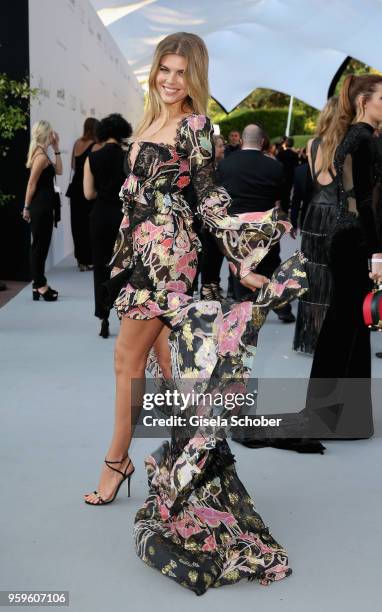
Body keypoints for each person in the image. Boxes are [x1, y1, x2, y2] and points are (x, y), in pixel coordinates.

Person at [83, 32, 307, 594]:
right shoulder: (149, 122)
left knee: (124, 359)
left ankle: (116, 464)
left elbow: (208, 194)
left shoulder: (195, 125)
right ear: (155, 70)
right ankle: (194, 475)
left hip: (168, 258)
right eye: (165, 69)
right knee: (173, 378)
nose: (171, 80)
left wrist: (244, 256)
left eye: (182, 72)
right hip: (143, 253)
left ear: (195, 76)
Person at [217, 123, 295, 322]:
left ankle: (244, 309)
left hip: (237, 226)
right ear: (262, 142)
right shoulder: (274, 165)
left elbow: (219, 196)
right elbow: (282, 196)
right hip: (266, 224)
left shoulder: (226, 164)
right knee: (271, 265)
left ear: (242, 141)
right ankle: (282, 308)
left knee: (241, 266)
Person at [293, 97, 338, 354]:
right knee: (333, 276)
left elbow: (314, 180)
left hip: (314, 213)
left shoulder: (312, 144)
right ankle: (329, 336)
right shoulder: (346, 145)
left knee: (312, 274)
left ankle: (314, 332)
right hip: (335, 214)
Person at [83, 113, 132, 339]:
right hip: (123, 217)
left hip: (99, 216)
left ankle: (103, 317)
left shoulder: (92, 158)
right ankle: (126, 316)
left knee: (101, 267)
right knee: (124, 267)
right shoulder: (128, 157)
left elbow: (88, 193)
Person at [23, 120, 62, 301]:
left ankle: (37, 284)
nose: (53, 136)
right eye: (51, 133)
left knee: (41, 247)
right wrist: (26, 207)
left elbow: (59, 171)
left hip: (45, 207)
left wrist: (56, 148)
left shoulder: (43, 154)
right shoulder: (40, 157)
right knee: (39, 248)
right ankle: (40, 285)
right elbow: (31, 184)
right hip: (40, 207)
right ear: (46, 133)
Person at [68, 117, 99, 271]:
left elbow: (72, 165)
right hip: (87, 188)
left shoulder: (76, 143)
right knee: (88, 224)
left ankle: (81, 260)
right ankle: (89, 259)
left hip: (75, 188)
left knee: (77, 224)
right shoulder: (94, 146)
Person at [199, 133, 225, 300]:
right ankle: (206, 288)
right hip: (206, 219)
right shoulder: (205, 169)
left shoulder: (221, 167)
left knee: (217, 253)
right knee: (209, 254)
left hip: (219, 218)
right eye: (221, 146)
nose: (224, 149)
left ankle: (214, 285)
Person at [277, 136, 299, 212]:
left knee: (280, 193)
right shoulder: (295, 155)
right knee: (288, 193)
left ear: (286, 143)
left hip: (281, 176)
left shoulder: (281, 153)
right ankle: (285, 209)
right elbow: (296, 166)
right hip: (290, 177)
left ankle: (280, 208)